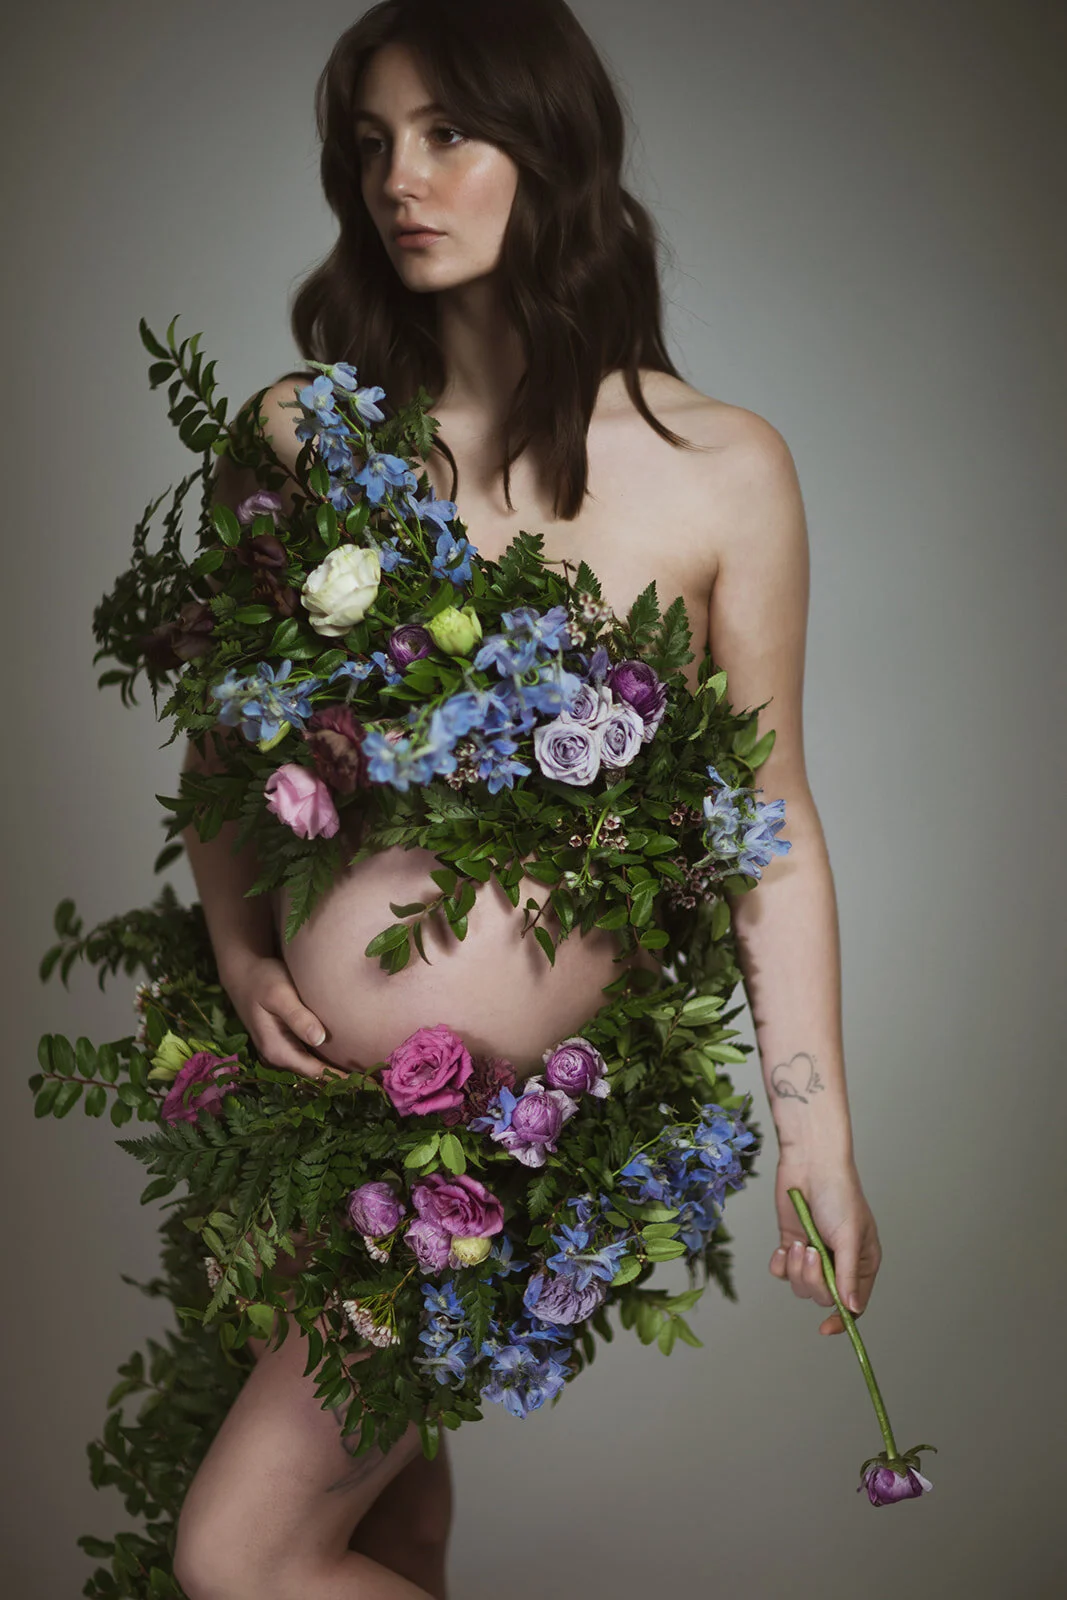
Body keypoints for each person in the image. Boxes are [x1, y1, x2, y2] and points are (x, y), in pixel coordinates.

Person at [172, 2, 882, 1595]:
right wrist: (237, 953)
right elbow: (225, 748)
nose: (397, 182)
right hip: (302, 1121)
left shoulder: (716, 468)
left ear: (548, 153)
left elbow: (769, 825)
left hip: (504, 1144)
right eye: (370, 145)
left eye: (445, 135)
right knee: (386, 1527)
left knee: (243, 1560)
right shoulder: (305, 438)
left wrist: (816, 1142)